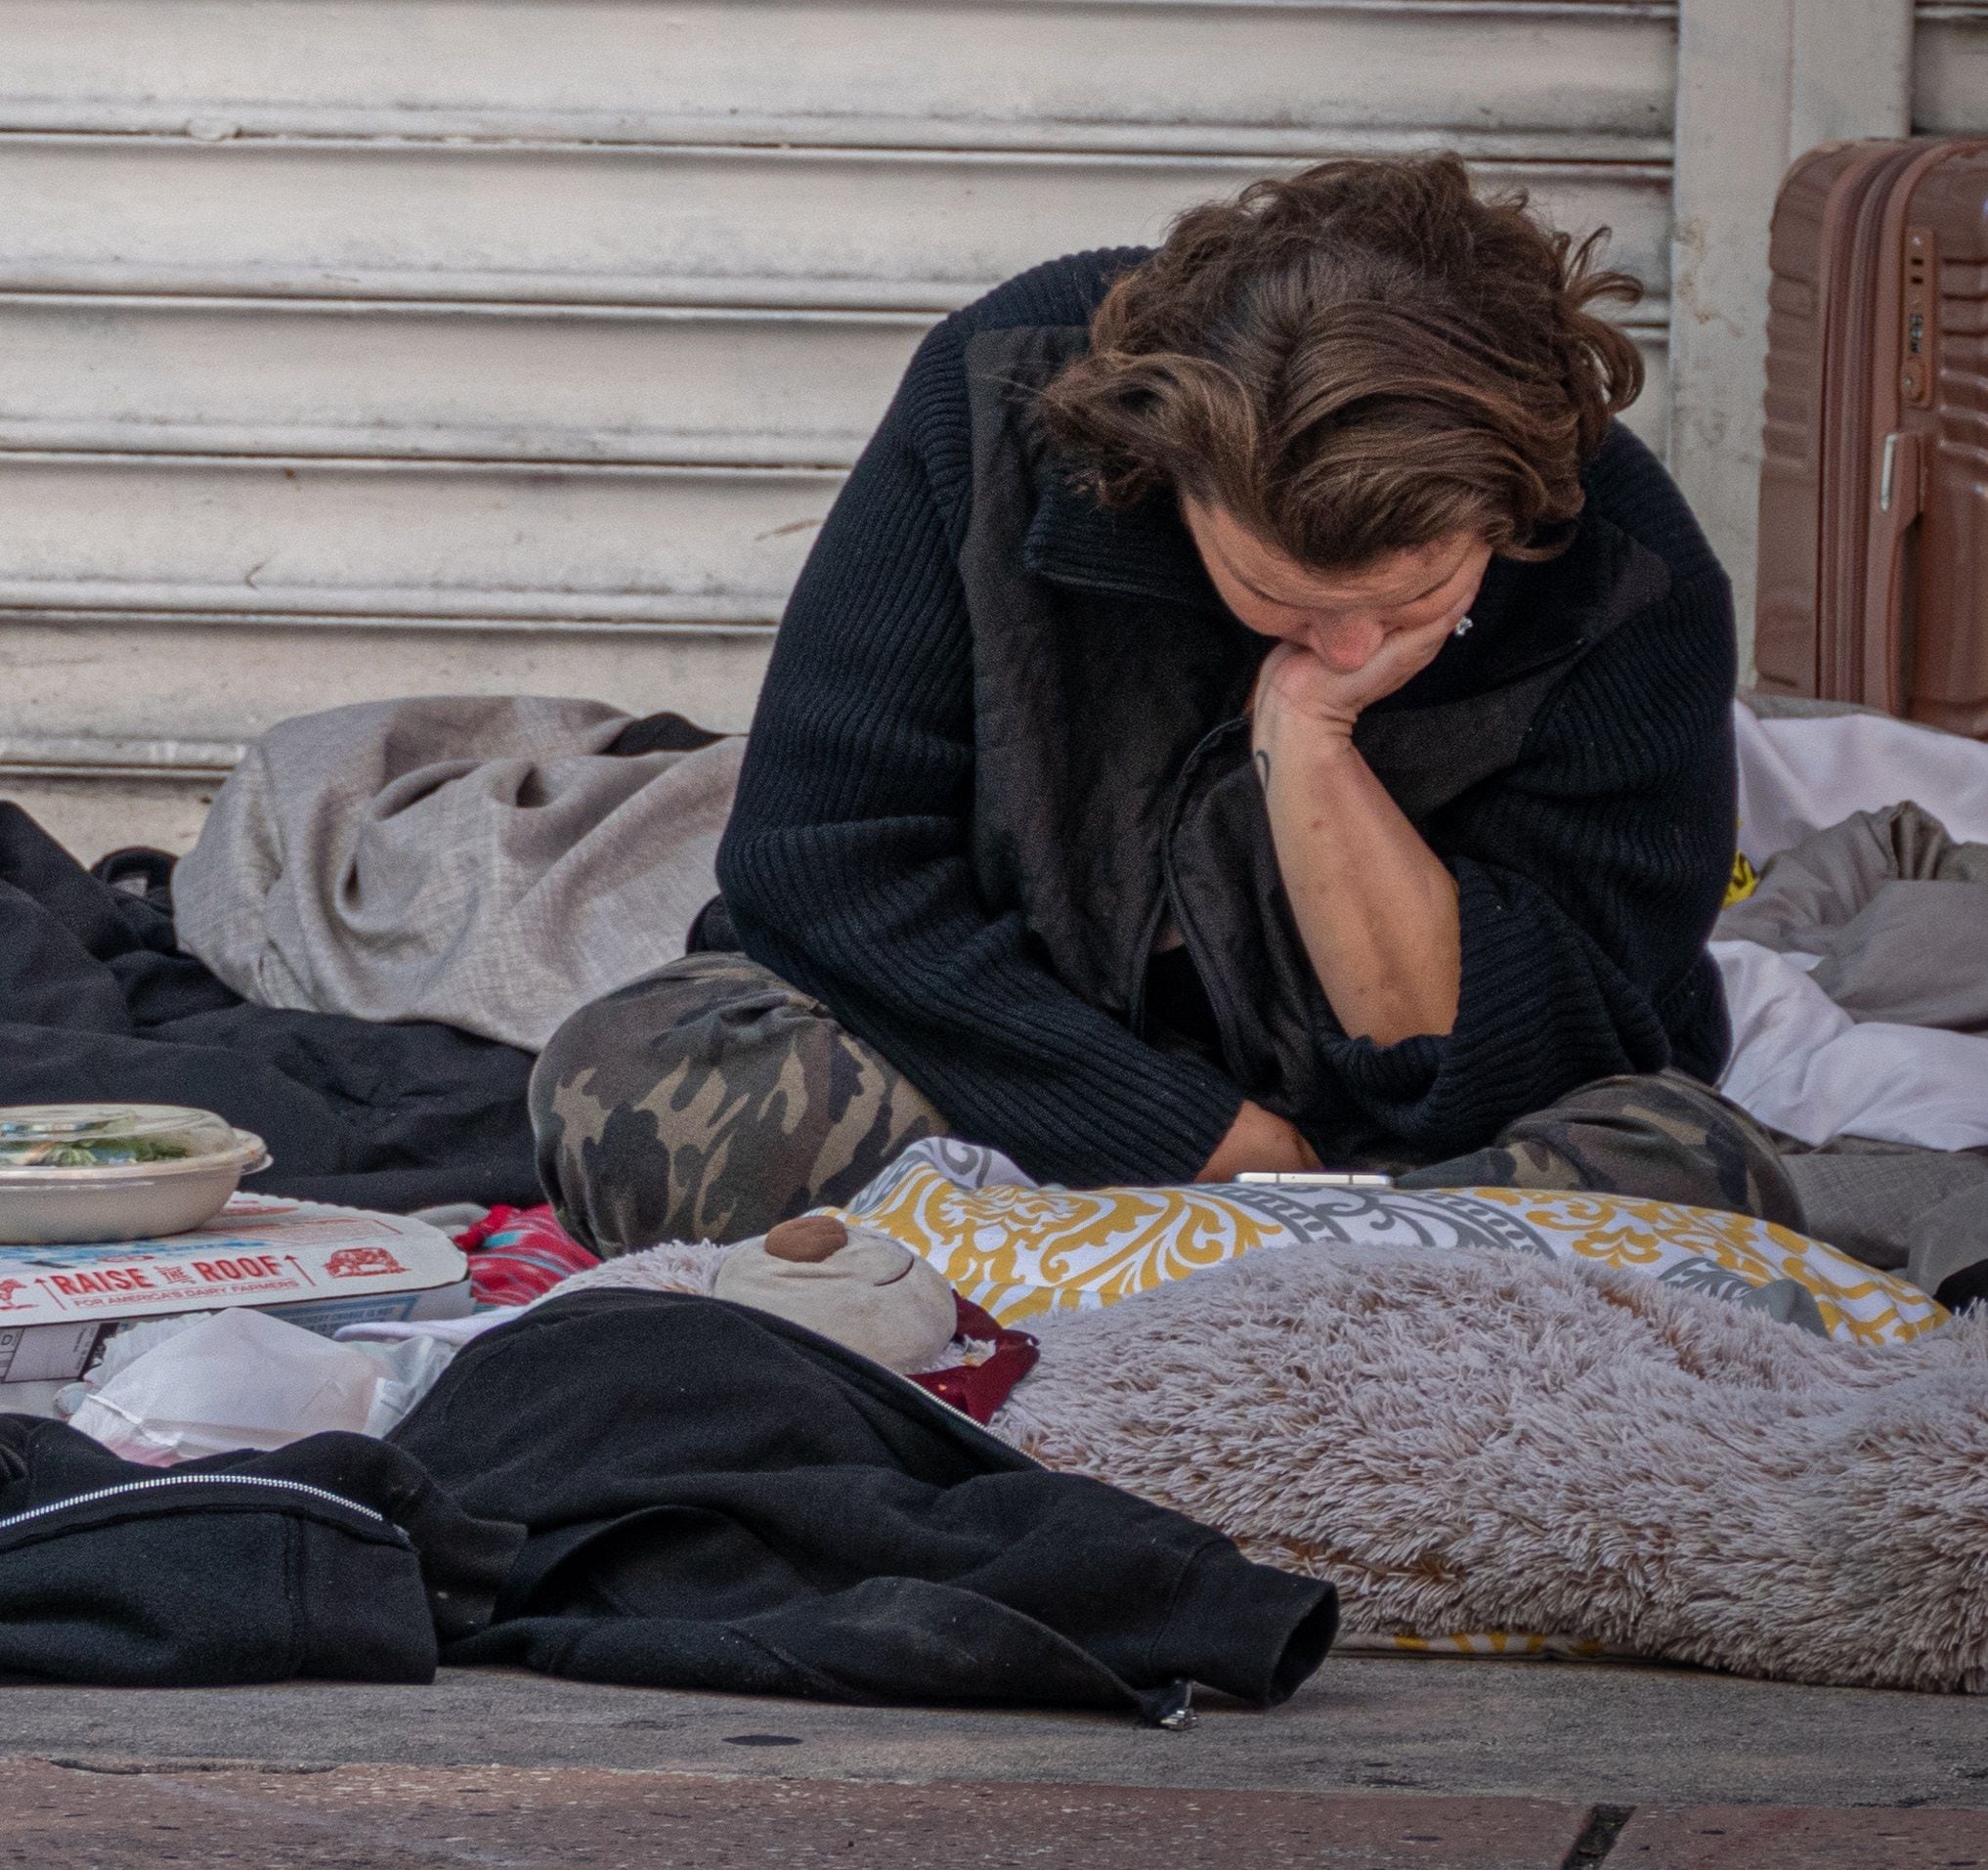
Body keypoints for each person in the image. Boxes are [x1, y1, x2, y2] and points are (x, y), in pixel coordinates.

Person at [530, 154, 1797, 1254]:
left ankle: (1098, 1268)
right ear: (1168, 471)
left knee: (1694, 1177)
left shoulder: (1627, 574)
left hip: (1398, 1135)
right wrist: (1199, 1141)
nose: (1353, 644)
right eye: (1278, 591)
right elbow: (816, 870)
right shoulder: (995, 399)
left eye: (1405, 605)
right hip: (1009, 1073)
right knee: (627, 1087)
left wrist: (1310, 736)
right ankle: (1284, 1270)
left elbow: (1557, 1044)